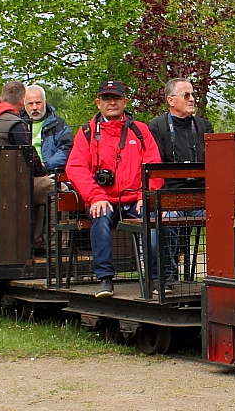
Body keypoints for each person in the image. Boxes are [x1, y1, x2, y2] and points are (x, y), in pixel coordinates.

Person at [65, 80, 163, 298]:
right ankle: (105, 279)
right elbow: (76, 168)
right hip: (103, 199)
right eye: (107, 98)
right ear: (97, 103)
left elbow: (154, 166)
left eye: (116, 98)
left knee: (152, 222)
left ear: (124, 101)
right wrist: (95, 196)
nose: (112, 102)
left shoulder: (140, 131)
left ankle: (156, 278)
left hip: (135, 198)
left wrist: (145, 195)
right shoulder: (86, 132)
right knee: (100, 218)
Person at [148, 78, 211, 289]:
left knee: (231, 217)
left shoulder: (203, 126)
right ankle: (165, 277)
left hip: (201, 198)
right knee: (164, 221)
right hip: (170, 197)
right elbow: (155, 167)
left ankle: (226, 275)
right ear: (170, 100)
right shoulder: (157, 127)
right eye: (186, 95)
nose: (192, 99)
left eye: (193, 94)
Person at [0, 82, 53, 249]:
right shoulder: (15, 123)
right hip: (8, 186)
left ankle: (35, 242)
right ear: (21, 101)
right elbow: (29, 156)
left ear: (0, 98)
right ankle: (55, 247)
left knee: (40, 191)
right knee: (55, 189)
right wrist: (42, 172)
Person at [21, 85, 73, 173]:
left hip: (49, 171)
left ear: (45, 102)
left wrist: (45, 165)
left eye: (38, 103)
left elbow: (66, 149)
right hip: (22, 171)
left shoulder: (58, 124)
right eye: (30, 103)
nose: (34, 107)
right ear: (24, 104)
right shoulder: (17, 124)